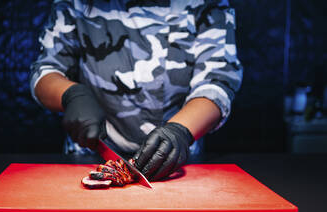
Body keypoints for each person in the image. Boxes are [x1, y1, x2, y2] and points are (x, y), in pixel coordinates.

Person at [30, 0, 243, 181]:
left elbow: (218, 81)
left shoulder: (207, 3)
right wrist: (71, 95)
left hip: (177, 166)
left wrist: (179, 132)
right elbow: (45, 70)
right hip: (87, 158)